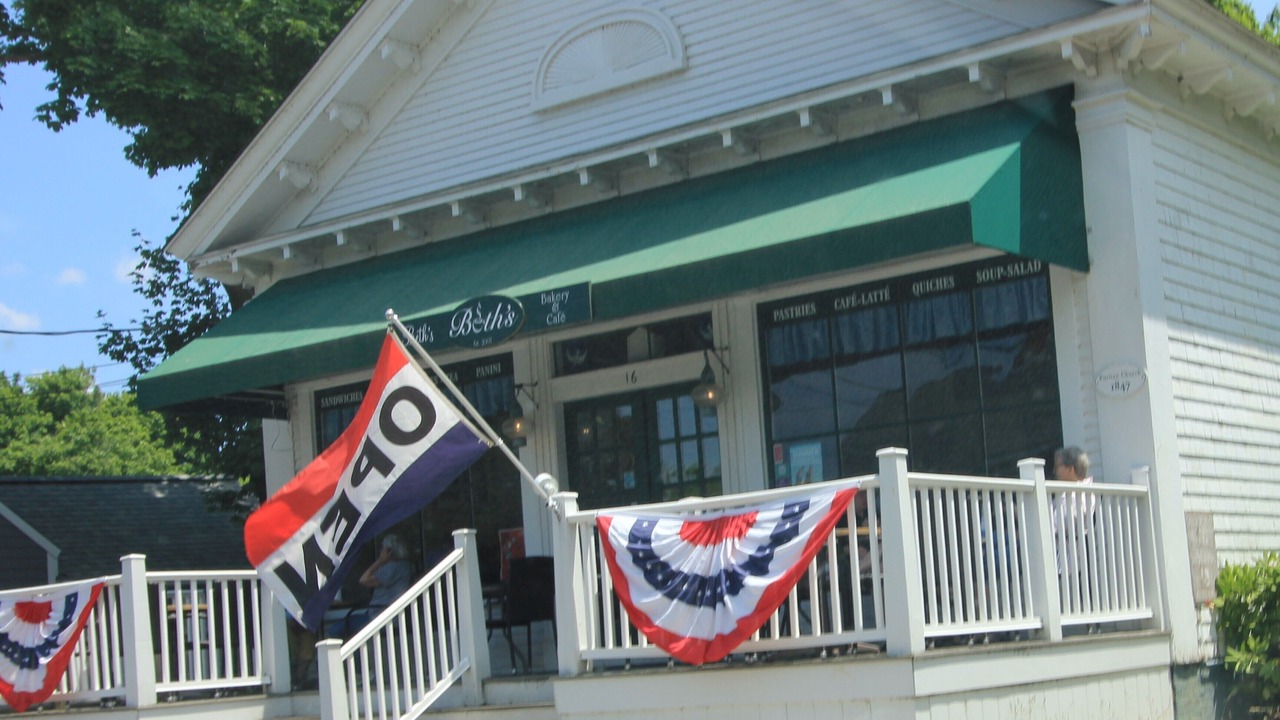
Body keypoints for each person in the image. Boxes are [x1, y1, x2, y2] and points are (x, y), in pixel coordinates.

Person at [327, 535, 412, 638]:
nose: (380, 551)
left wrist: (380, 561)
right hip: (382, 613)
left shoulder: (392, 567)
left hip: (379, 615)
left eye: (382, 548)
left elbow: (363, 580)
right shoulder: (404, 566)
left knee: (334, 630)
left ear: (389, 551)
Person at [1051, 446, 1097, 618]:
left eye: (1058, 466)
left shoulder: (1084, 494)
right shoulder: (1064, 493)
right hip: (1060, 549)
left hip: (1074, 552)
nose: (1054, 471)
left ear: (1070, 469)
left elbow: (1065, 520)